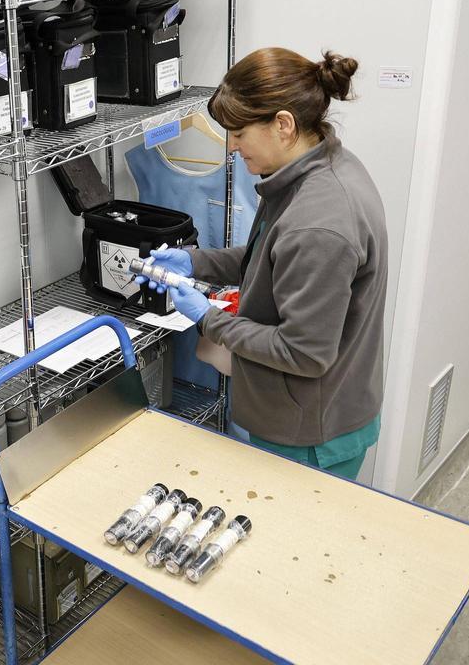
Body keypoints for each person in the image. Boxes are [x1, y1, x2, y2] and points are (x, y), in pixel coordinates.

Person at [139, 47, 388, 479]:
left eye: (238, 132)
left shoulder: (319, 222)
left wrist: (208, 320)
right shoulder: (318, 170)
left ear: (284, 125)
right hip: (312, 412)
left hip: (311, 435)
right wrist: (196, 263)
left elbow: (304, 353)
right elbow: (272, 259)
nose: (231, 147)